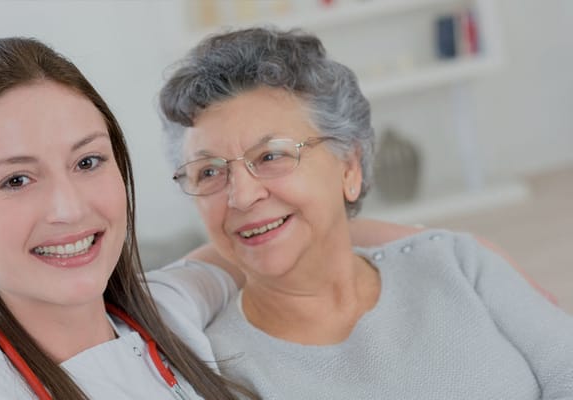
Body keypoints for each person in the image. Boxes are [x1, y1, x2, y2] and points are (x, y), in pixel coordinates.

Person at [158, 27, 573, 399]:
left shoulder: (456, 262)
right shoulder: (212, 374)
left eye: (270, 155)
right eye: (209, 171)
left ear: (349, 166)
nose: (242, 196)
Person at [0, 36, 256, 400]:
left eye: (87, 162)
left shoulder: (167, 311)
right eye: (16, 180)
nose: (69, 209)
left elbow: (248, 252)